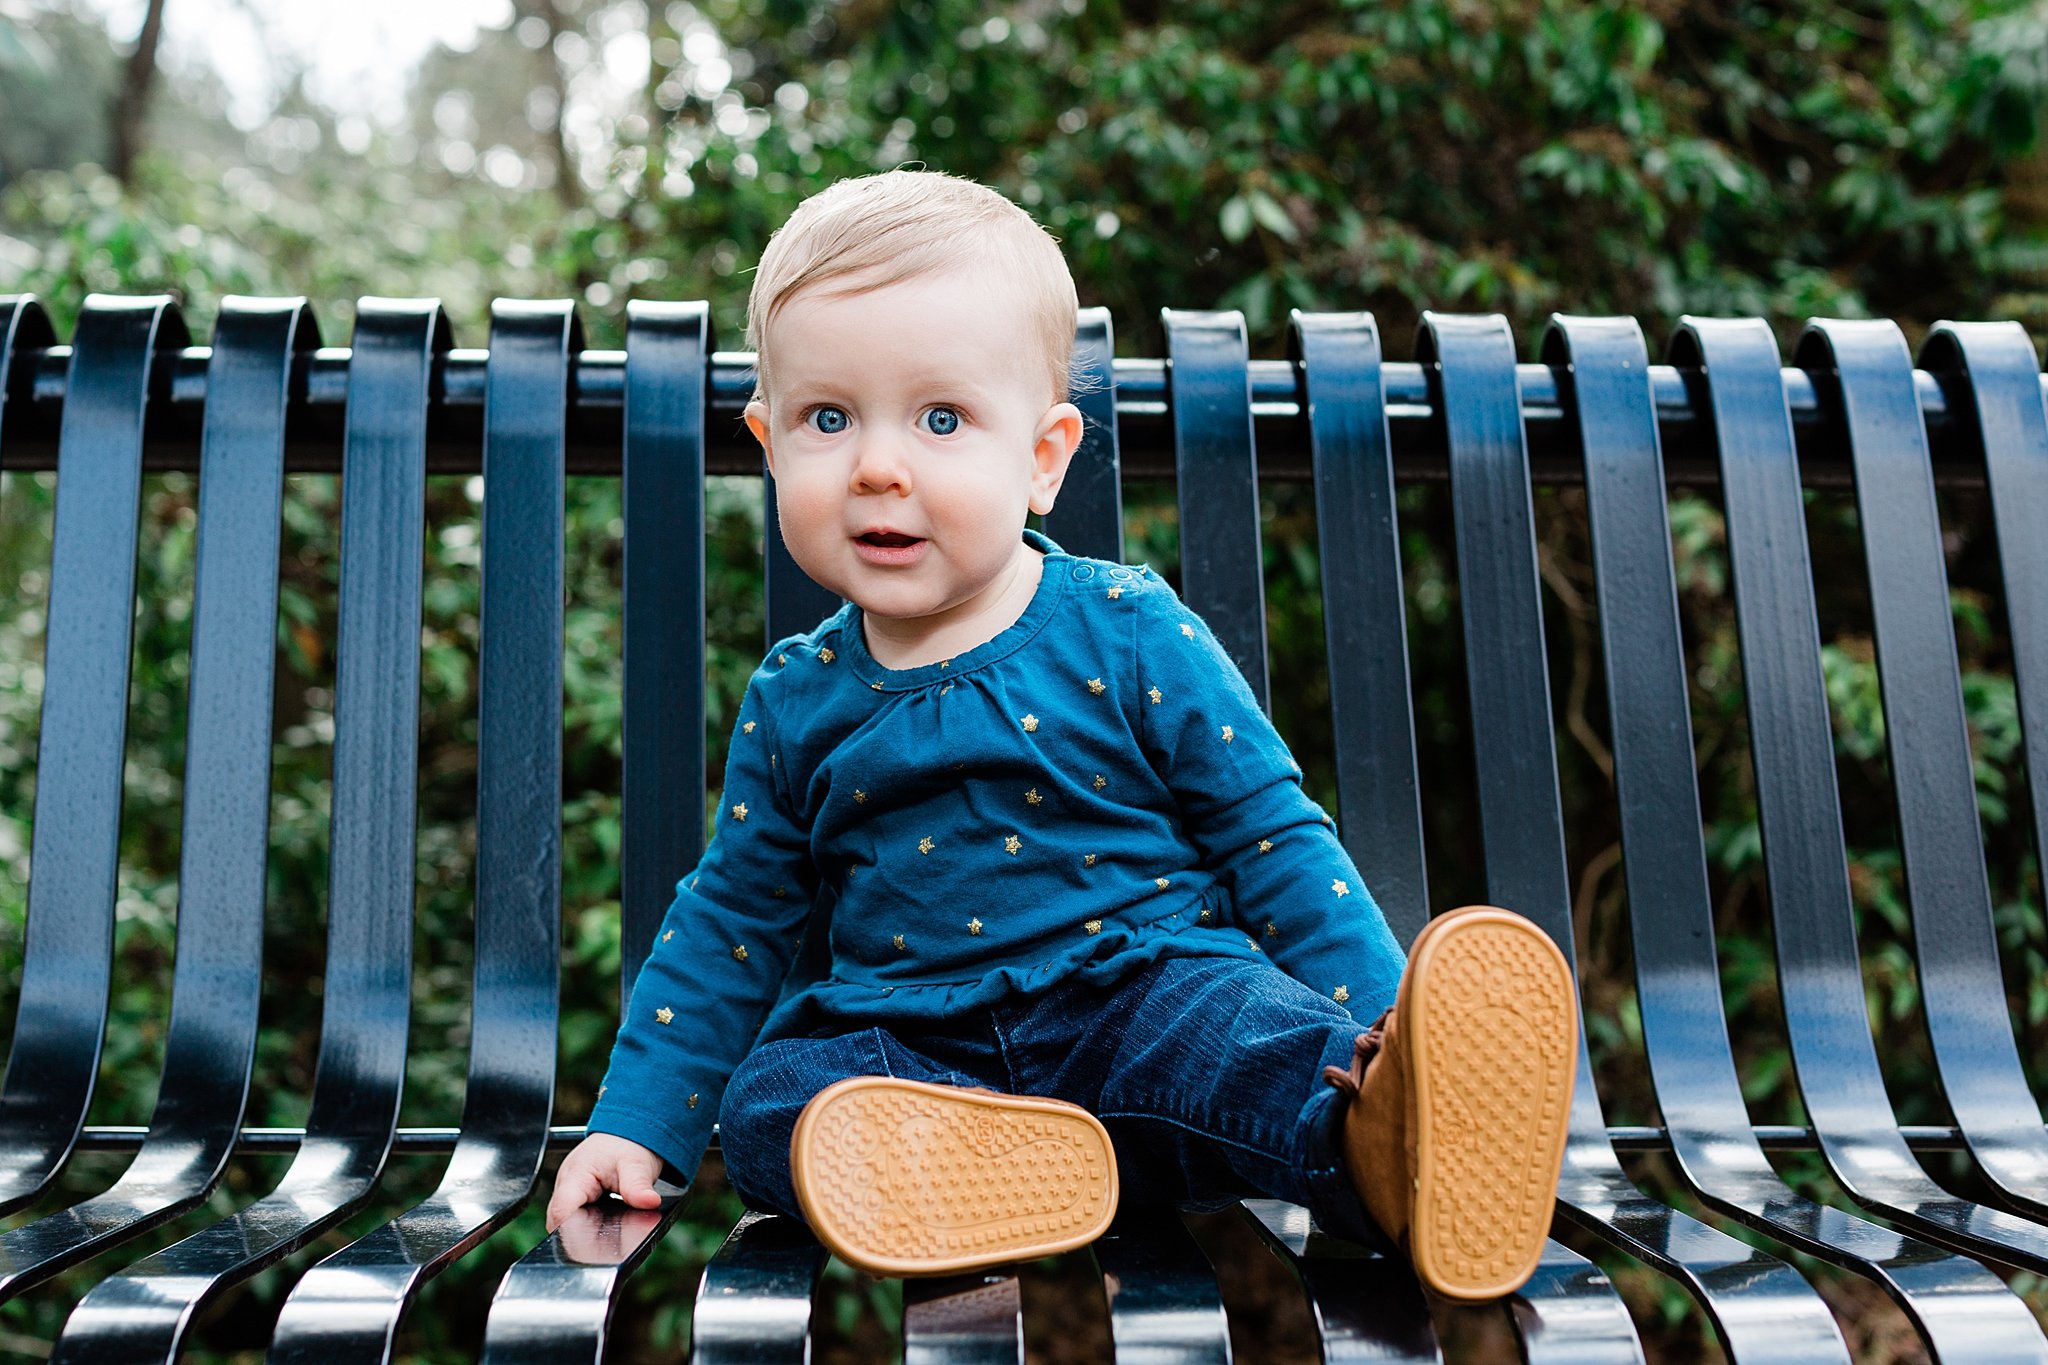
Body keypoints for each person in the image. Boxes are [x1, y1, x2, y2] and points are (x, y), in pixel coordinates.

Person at [545, 168, 1579, 1301]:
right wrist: (635, 1125)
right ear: (769, 441)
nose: (877, 464)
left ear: (1041, 457)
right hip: (913, 1055)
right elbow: (732, 920)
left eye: (940, 418)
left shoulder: (1125, 628)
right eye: (826, 419)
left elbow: (1272, 840)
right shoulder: (797, 697)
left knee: (1260, 1048)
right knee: (771, 1111)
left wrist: (1388, 1039)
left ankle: (1394, 1142)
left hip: (1143, 1000)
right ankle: (984, 1173)